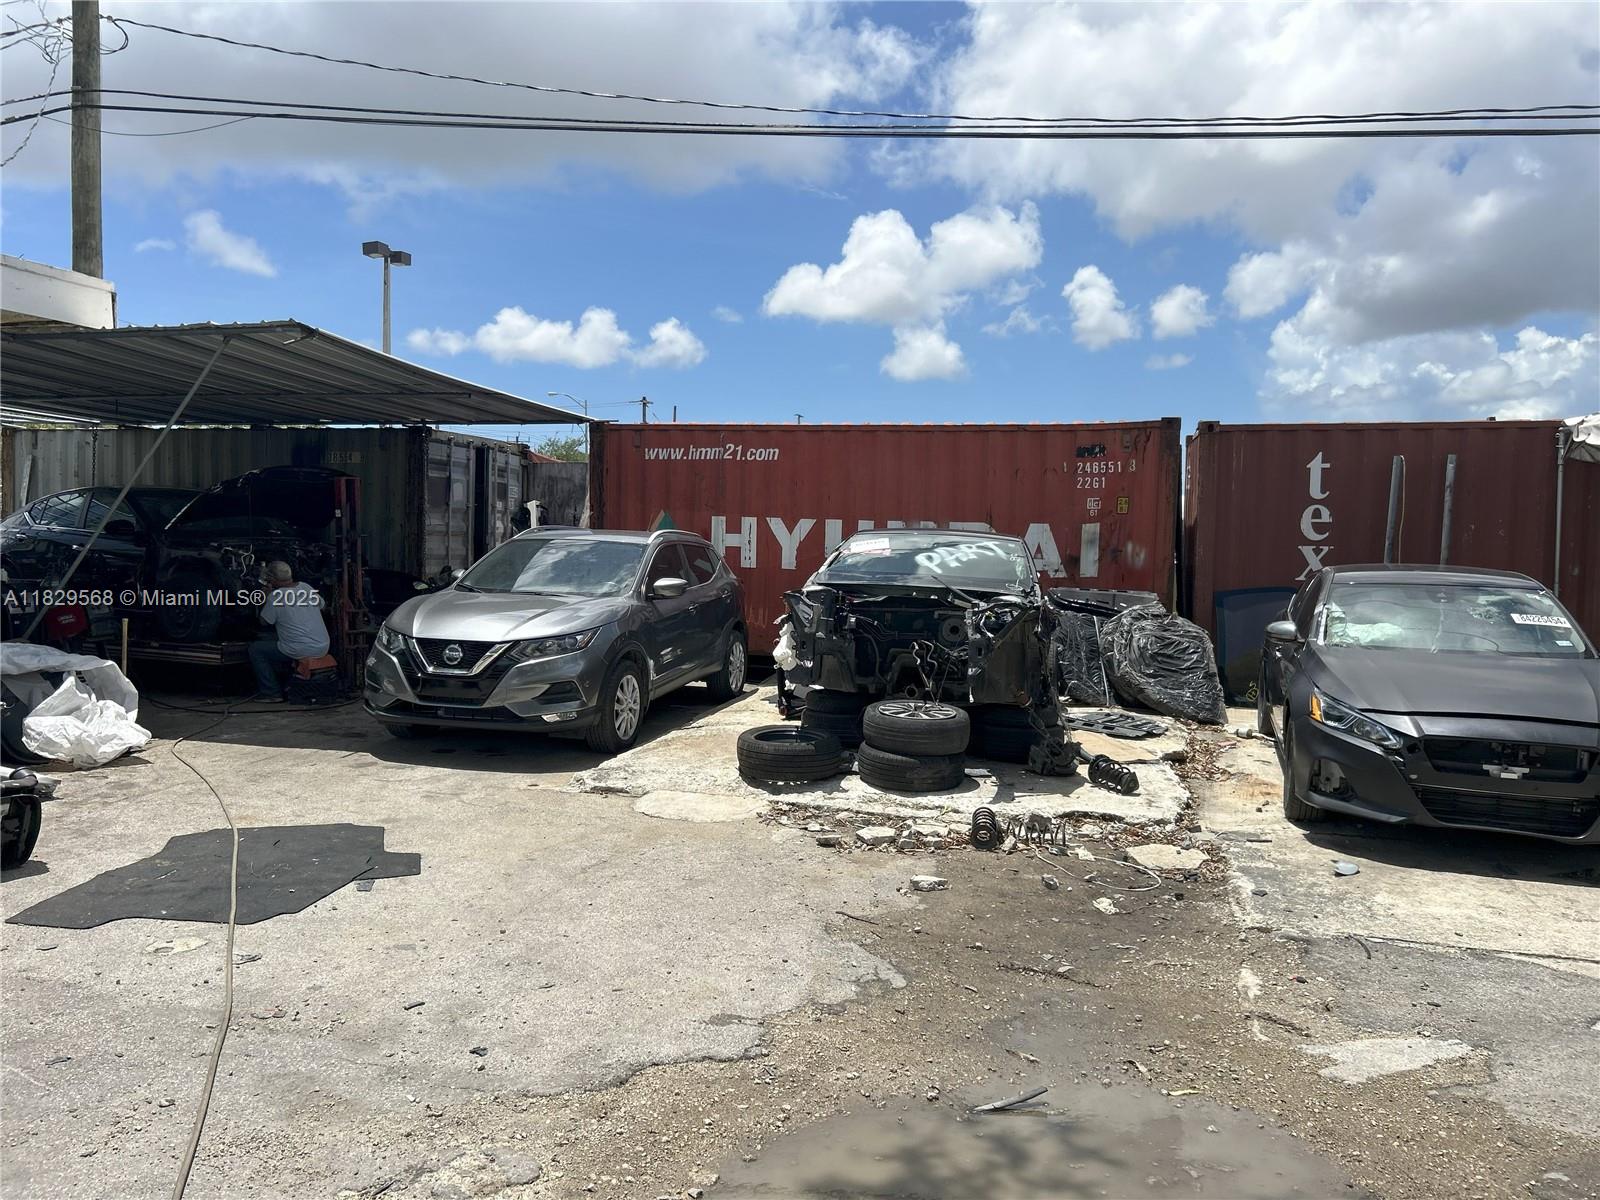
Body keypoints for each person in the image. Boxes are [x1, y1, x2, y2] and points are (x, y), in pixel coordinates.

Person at [249, 561, 330, 702]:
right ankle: (287, 682)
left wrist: (266, 598)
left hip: (300, 649)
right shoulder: (306, 587)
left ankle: (271, 693)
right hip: (322, 646)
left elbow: (264, 622)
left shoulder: (275, 596)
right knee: (274, 640)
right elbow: (323, 606)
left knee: (255, 649)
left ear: (272, 579)